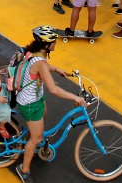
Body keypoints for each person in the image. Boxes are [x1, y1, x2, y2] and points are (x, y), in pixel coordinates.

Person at [12, 26, 87, 182]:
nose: (56, 43)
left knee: (41, 121)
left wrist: (58, 69)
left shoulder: (36, 54)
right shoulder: (40, 62)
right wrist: (75, 97)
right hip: (30, 103)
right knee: (37, 139)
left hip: (36, 99)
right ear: (46, 44)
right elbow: (53, 89)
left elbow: (45, 66)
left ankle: (30, 145)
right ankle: (23, 169)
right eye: (54, 41)